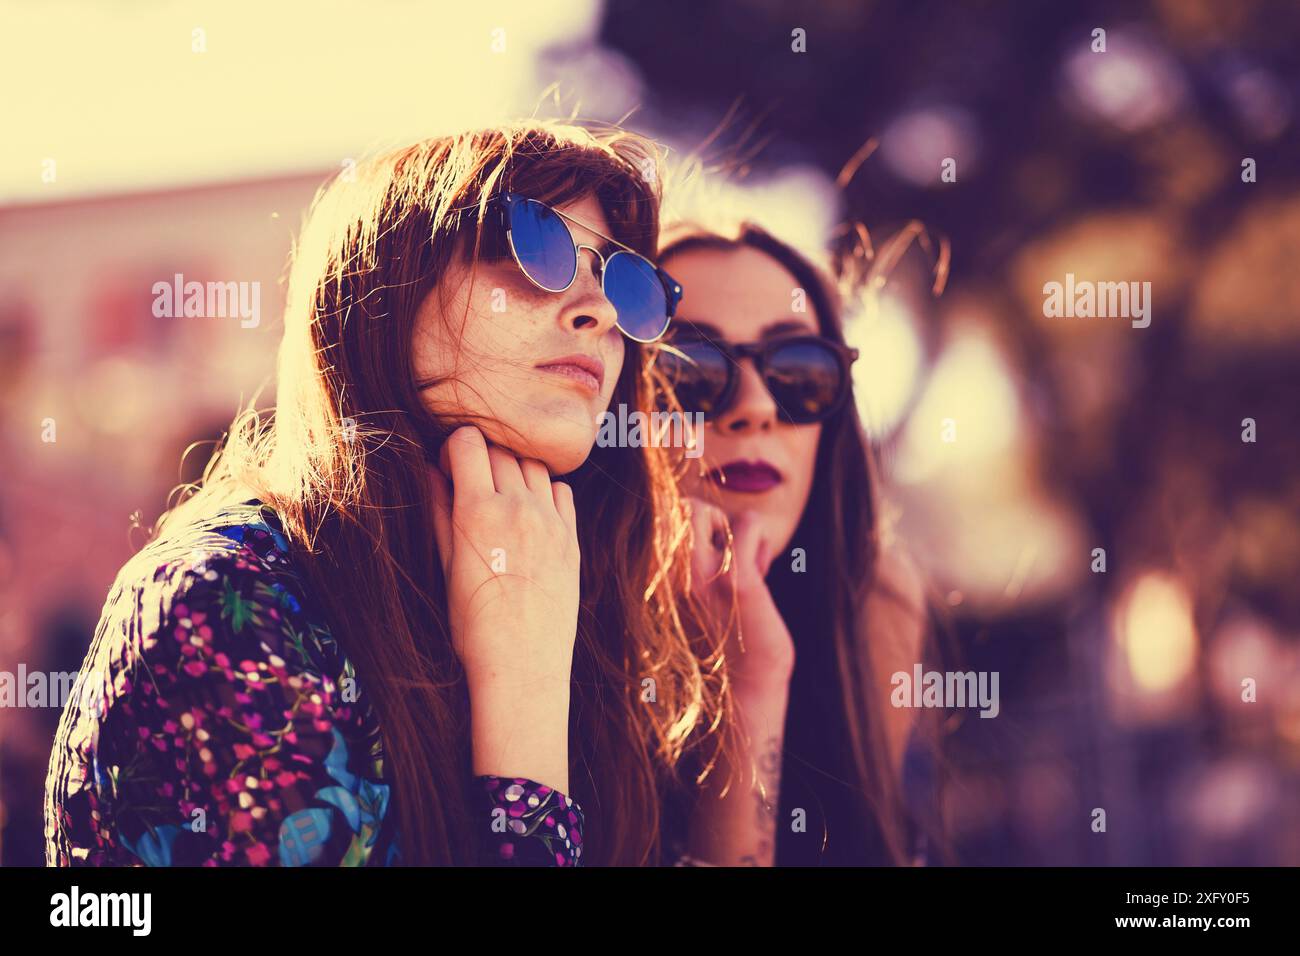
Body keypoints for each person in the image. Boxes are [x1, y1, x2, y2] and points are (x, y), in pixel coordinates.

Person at [44, 121, 738, 867]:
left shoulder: (580, 610)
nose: (598, 312)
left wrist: (750, 705)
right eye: (536, 247)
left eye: (622, 283)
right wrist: (523, 699)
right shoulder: (227, 598)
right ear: (387, 284)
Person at [658, 221, 944, 865]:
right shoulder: (532, 618)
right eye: (690, 368)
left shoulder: (874, 607)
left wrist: (751, 686)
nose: (755, 406)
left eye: (799, 372)